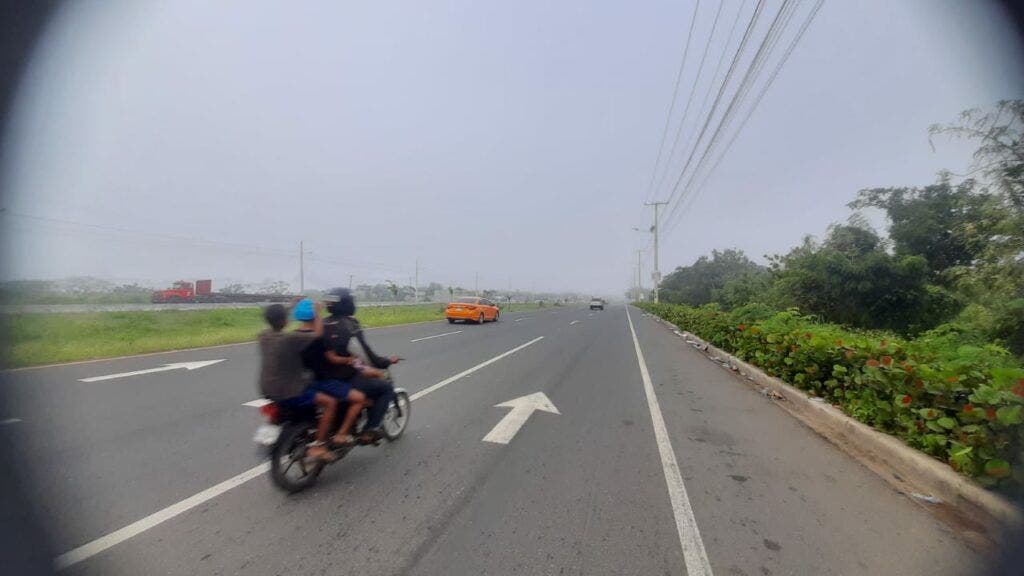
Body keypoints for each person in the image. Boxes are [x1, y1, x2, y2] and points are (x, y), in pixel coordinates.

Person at [256, 300, 337, 461]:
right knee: (330, 402)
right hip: (290, 391)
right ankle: (319, 445)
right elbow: (318, 335)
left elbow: (277, 318)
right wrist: (317, 314)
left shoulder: (263, 336)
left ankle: (270, 438)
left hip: (267, 390)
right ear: (286, 321)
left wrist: (291, 305)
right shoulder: (291, 338)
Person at [319, 287, 400, 442]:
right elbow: (366, 355)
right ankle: (369, 430)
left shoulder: (322, 323)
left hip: (321, 377)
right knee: (385, 388)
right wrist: (386, 361)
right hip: (344, 378)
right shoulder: (350, 325)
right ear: (348, 303)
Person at [292, 298, 367, 446]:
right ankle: (341, 434)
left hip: (302, 382)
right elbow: (333, 358)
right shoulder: (318, 338)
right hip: (322, 381)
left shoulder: (293, 336)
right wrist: (351, 360)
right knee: (359, 399)